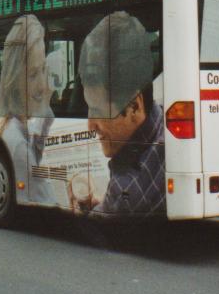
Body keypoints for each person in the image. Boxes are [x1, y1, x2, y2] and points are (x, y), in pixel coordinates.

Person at [69, 11, 164, 216]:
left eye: (99, 110)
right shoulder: (161, 123)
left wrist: (86, 213)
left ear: (134, 107)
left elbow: (122, 206)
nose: (91, 126)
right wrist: (101, 205)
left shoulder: (127, 191)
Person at [0, 14, 56, 205]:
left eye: (43, 70)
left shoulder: (14, 126)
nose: (43, 85)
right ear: (14, 79)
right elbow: (48, 201)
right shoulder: (17, 143)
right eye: (33, 74)